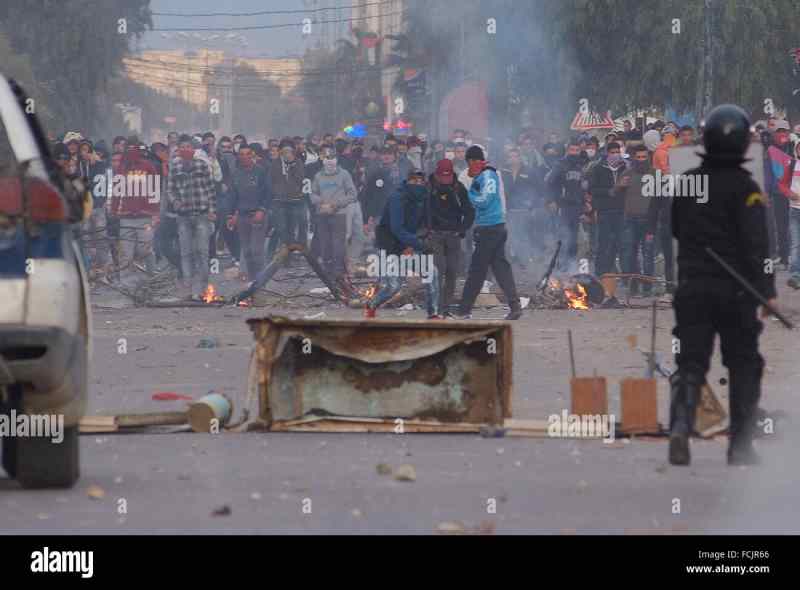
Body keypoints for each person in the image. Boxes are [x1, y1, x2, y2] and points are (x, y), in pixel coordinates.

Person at [669, 104, 776, 466]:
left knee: (690, 362)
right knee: (744, 363)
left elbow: (677, 230)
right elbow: (757, 246)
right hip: (737, 291)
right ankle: (741, 445)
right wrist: (766, 289)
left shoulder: (688, 182)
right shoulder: (747, 189)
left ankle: (681, 427)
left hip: (693, 286)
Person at [456, 146, 522, 320]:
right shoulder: (487, 174)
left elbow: (486, 200)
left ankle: (464, 310)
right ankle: (515, 306)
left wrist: (468, 196)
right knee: (501, 268)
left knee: (477, 270)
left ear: (472, 161)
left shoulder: (487, 175)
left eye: (470, 163)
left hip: (488, 228)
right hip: (497, 226)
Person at [365, 169, 439, 319]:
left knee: (432, 273)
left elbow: (426, 224)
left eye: (420, 181)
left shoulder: (424, 197)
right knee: (393, 286)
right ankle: (372, 304)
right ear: (408, 181)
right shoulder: (397, 198)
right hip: (390, 245)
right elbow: (396, 228)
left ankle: (433, 313)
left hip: (409, 244)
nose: (417, 184)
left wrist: (420, 242)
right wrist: (417, 244)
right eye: (414, 181)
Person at [165, 134, 217, 300]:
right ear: (178, 150)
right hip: (183, 216)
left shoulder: (202, 164)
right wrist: (176, 202)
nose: (185, 149)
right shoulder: (174, 165)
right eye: (182, 147)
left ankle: (202, 290)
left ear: (193, 149)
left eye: (188, 147)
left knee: (202, 252)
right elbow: (170, 189)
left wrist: (212, 210)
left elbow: (210, 189)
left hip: (201, 214)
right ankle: (187, 290)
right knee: (185, 253)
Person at [429, 159, 474, 316]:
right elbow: (420, 210)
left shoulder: (458, 188)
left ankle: (445, 307)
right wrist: (425, 231)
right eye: (442, 176)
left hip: (453, 235)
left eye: (448, 176)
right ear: (437, 174)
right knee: (438, 270)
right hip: (435, 235)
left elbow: (469, 211)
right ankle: (436, 306)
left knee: (452, 271)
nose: (445, 179)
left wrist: (462, 230)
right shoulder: (430, 188)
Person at [310, 149, 357, 294]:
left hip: (339, 214)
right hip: (322, 214)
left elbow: (352, 194)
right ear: (323, 160)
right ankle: (328, 277)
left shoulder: (344, 175)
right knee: (325, 246)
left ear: (336, 160)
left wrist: (335, 205)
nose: (330, 161)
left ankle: (338, 276)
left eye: (332, 158)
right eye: (327, 158)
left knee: (338, 246)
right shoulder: (318, 176)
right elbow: (312, 194)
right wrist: (322, 203)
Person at [227, 144, 271, 282]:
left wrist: (262, 210)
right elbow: (232, 196)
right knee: (246, 252)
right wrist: (231, 215)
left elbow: (268, 194)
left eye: (247, 154)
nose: (244, 157)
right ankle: (253, 281)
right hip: (242, 216)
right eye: (241, 154)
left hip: (258, 215)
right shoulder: (235, 174)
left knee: (256, 251)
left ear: (252, 155)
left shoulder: (261, 172)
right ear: (238, 156)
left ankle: (262, 281)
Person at [546, 138, 588, 272]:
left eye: (577, 150)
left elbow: (582, 187)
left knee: (575, 241)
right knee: (564, 238)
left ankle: (572, 268)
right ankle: (560, 268)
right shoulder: (560, 165)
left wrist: (585, 204)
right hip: (563, 207)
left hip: (576, 207)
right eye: (572, 150)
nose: (574, 153)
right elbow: (549, 183)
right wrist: (551, 200)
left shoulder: (580, 166)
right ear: (567, 150)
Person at [620, 144, 656, 296]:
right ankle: (634, 285)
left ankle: (647, 287)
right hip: (630, 220)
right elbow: (614, 192)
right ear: (634, 158)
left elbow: (662, 198)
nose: (641, 160)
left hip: (649, 220)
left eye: (644, 157)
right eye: (638, 157)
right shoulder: (627, 173)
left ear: (648, 157)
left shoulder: (655, 174)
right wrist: (621, 185)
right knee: (631, 253)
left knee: (648, 253)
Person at [268, 138, 307, 253]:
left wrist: (292, 164)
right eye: (284, 151)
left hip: (295, 201)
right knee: (281, 229)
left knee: (291, 230)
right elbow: (271, 181)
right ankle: (275, 254)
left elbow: (301, 179)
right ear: (280, 152)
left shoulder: (298, 163)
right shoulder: (274, 164)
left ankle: (288, 255)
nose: (287, 154)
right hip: (279, 202)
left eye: (289, 151)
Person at [501, 148, 536, 269]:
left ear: (520, 158)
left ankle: (524, 260)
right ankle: (510, 260)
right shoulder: (503, 172)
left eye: (516, 156)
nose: (513, 159)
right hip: (509, 209)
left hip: (524, 209)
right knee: (510, 235)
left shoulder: (529, 171)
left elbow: (536, 189)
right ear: (507, 159)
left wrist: (531, 205)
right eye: (511, 156)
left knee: (523, 235)